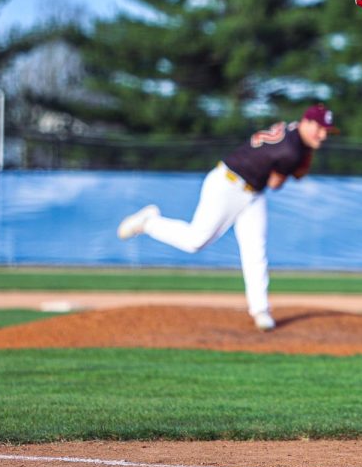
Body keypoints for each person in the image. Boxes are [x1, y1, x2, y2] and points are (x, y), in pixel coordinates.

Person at [117, 104, 337, 330]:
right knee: (195, 241)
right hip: (228, 185)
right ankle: (149, 223)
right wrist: (297, 169)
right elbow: (275, 183)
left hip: (253, 192)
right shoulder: (291, 151)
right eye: (319, 128)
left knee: (255, 250)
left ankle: (260, 310)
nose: (323, 135)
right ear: (306, 122)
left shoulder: (293, 133)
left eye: (326, 131)